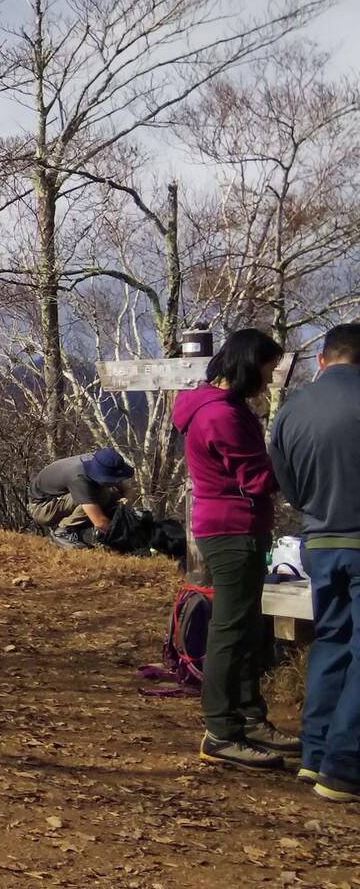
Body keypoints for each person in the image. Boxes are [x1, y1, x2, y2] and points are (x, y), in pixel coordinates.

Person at [173, 328, 294, 771]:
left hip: (234, 527)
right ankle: (221, 730)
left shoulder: (220, 407)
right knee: (230, 627)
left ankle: (247, 716)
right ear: (248, 365)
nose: (268, 378)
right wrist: (294, 457)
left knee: (245, 625)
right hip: (232, 531)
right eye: (267, 368)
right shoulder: (220, 416)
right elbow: (258, 479)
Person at [271, 323, 360, 801]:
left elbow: (286, 482)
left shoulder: (291, 410)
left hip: (320, 539)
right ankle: (344, 768)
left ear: (322, 360)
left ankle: (315, 754)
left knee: (331, 640)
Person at [26, 448, 136, 549]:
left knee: (112, 497)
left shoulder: (100, 461)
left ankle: (79, 532)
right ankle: (64, 532)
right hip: (42, 508)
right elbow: (99, 522)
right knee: (100, 496)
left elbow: (127, 487)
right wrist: (128, 540)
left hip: (60, 498)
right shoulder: (79, 478)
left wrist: (126, 501)